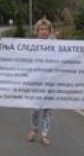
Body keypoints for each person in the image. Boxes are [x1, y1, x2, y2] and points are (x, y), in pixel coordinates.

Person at [27, 18, 55, 146]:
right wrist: (0, 41)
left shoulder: (57, 45)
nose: (44, 32)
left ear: (50, 31)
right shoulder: (31, 46)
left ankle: (44, 135)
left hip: (51, 82)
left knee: (47, 110)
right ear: (37, 31)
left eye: (46, 29)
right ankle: (33, 129)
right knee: (35, 109)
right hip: (36, 82)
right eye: (41, 29)